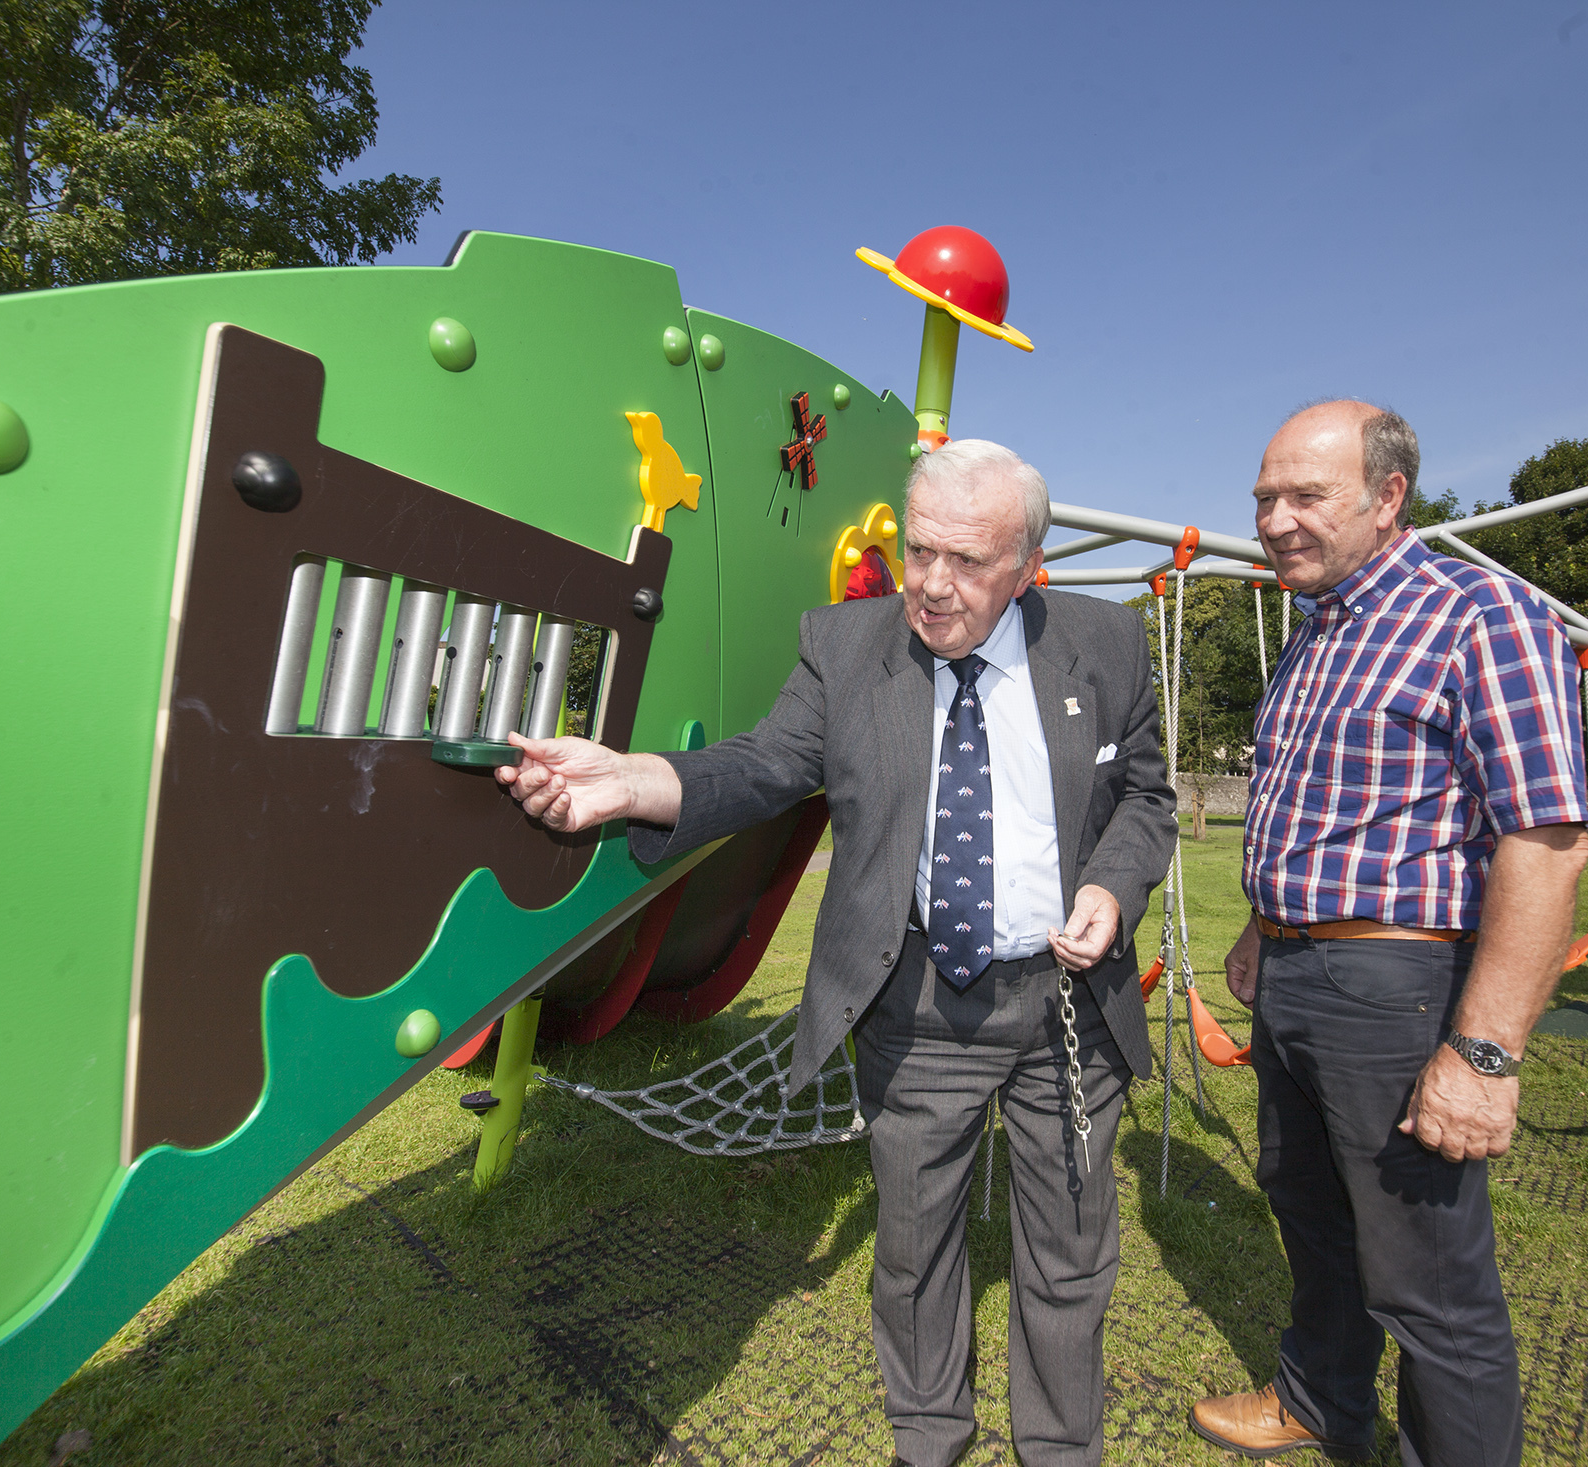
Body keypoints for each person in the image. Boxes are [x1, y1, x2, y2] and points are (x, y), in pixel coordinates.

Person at [497, 439, 1176, 1467]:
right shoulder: (845, 645)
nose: (932, 585)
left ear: (1029, 565)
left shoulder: (1107, 643)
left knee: (1070, 1255)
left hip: (1065, 1012)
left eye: (969, 563)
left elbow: (1147, 798)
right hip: (918, 1008)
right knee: (911, 1252)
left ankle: (1059, 1450)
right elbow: (765, 765)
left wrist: (1111, 887)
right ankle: (930, 1440)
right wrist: (636, 781)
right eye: (920, 550)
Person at [1189, 402, 1588, 1466]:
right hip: (1293, 970)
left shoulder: (1480, 616)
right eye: (1264, 499)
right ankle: (1321, 1401)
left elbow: (1545, 845)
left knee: (1427, 1278)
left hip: (1397, 989)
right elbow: (1330, 810)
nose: (1274, 521)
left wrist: (1483, 1054)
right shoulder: (1321, 628)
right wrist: (1261, 929)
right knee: (1311, 1214)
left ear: (1386, 496)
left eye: (1304, 497)